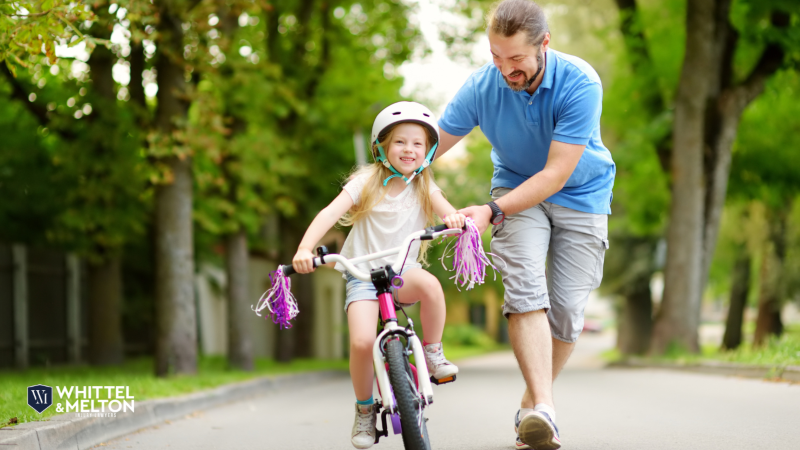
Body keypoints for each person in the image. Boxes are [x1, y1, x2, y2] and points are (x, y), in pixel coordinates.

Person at [434, 1, 615, 449]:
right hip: (515, 193)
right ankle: (544, 412)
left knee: (568, 310)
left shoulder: (580, 82)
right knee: (525, 290)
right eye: (496, 56)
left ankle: (532, 405)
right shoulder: (483, 84)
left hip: (581, 194)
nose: (504, 68)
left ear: (544, 45)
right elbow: (431, 143)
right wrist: (391, 159)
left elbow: (556, 174)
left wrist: (490, 213)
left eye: (515, 59)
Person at [292, 101, 466, 449]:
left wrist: (455, 220)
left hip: (403, 272)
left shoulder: (423, 184)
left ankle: (432, 352)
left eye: (418, 143)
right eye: (400, 142)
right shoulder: (365, 181)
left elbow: (448, 212)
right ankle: (364, 409)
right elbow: (329, 214)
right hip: (362, 275)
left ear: (428, 150)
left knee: (431, 286)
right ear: (382, 146)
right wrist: (304, 248)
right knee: (359, 342)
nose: (409, 149)